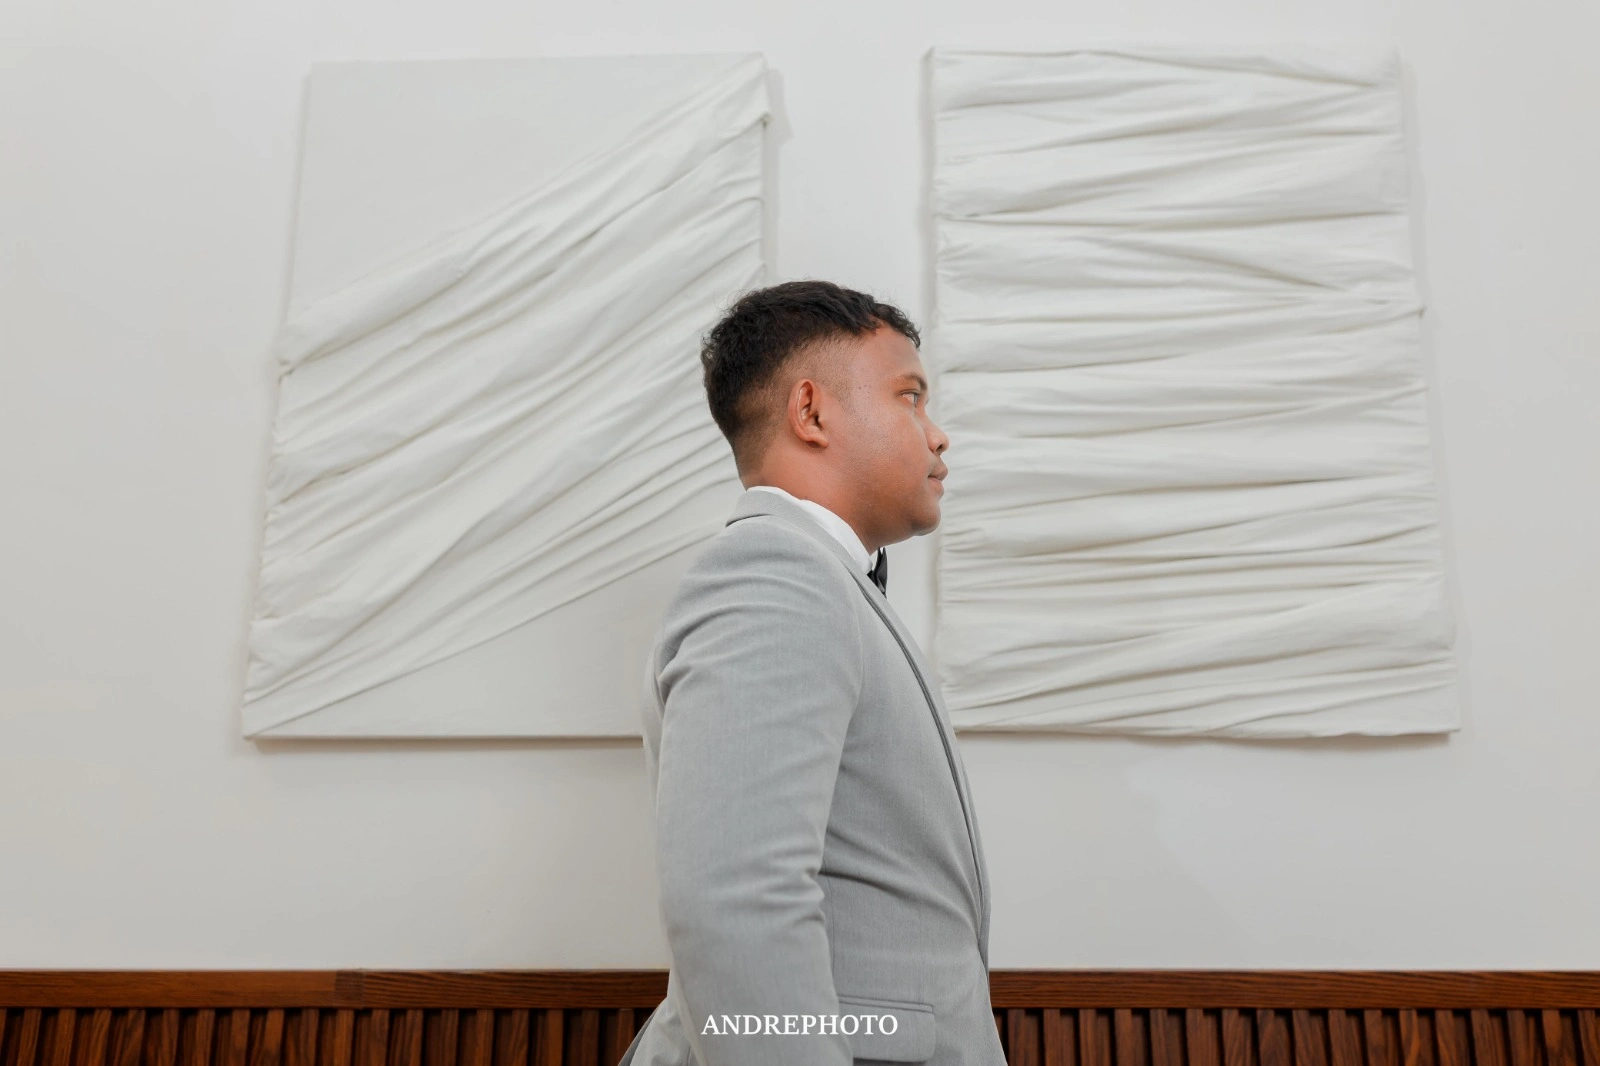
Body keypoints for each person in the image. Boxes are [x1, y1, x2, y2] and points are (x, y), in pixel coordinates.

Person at [623, 280, 1003, 1066]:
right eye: (910, 398)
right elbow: (735, 900)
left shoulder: (819, 579)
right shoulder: (776, 574)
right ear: (811, 411)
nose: (938, 437)